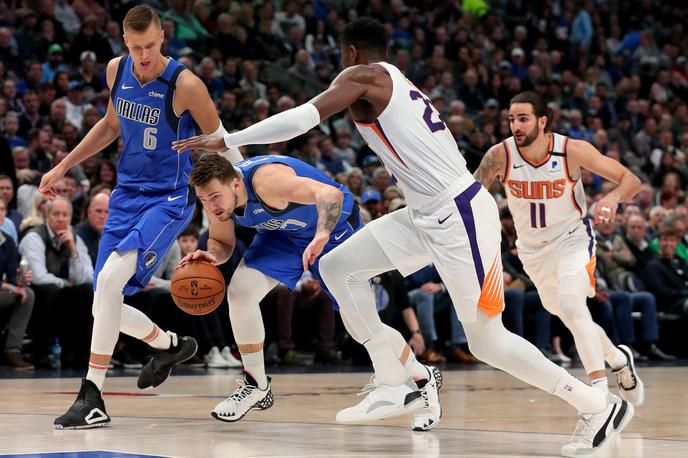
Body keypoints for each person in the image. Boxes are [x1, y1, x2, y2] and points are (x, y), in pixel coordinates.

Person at [172, 18, 633, 448]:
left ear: (350, 52)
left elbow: (301, 119)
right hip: (424, 213)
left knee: (487, 341)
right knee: (337, 267)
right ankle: (395, 382)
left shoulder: (363, 76)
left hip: (458, 212)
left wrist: (228, 139)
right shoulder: (386, 81)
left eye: (340, 58)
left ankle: (596, 405)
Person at [37, 5, 242, 430]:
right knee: (103, 301)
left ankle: (91, 395)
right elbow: (111, 125)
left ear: (162, 37)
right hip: (127, 194)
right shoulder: (117, 70)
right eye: (135, 48)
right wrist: (62, 166)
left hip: (169, 198)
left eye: (149, 46)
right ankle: (170, 345)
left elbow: (221, 141)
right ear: (124, 43)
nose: (143, 56)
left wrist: (244, 192)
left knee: (111, 282)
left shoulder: (185, 84)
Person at [179, 153, 440, 427]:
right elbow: (221, 243)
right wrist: (211, 256)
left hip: (332, 227)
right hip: (283, 234)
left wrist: (322, 233)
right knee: (240, 292)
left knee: (358, 325)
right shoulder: (217, 199)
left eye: (214, 197)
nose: (210, 205)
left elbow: (330, 194)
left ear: (234, 184)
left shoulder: (268, 182)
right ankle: (255, 384)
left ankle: (421, 377)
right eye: (203, 200)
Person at [474, 91, 645, 403]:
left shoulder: (570, 150)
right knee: (572, 316)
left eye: (523, 119)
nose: (515, 126)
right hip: (532, 252)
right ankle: (619, 359)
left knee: (571, 304)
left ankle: (600, 398)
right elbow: (470, 197)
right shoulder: (499, 156)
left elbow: (630, 180)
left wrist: (611, 197)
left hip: (572, 239)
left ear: (542, 120)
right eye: (511, 119)